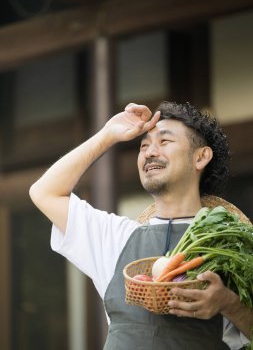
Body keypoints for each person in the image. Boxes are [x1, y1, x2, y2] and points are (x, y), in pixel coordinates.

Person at [29, 101, 253, 350]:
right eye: (144, 146)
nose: (149, 152)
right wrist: (108, 135)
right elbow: (44, 192)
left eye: (164, 142)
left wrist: (229, 303)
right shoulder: (118, 237)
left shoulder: (233, 247)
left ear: (201, 157)